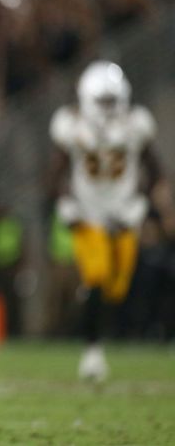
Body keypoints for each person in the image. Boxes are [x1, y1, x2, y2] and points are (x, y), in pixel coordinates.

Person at [49, 59, 175, 381]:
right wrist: (64, 202)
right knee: (98, 276)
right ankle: (92, 352)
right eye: (101, 100)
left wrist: (144, 203)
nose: (107, 107)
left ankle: (91, 314)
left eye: (110, 100)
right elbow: (57, 171)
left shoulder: (135, 124)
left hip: (123, 213)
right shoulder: (71, 124)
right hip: (88, 214)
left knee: (116, 290)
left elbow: (154, 168)